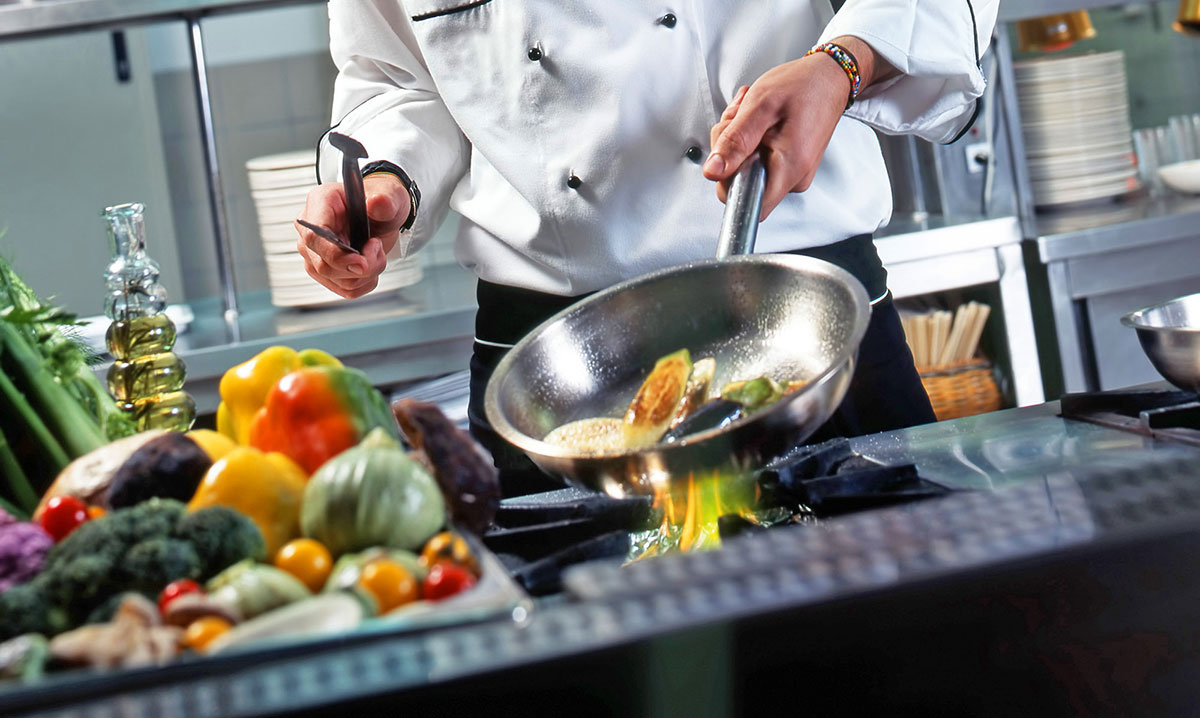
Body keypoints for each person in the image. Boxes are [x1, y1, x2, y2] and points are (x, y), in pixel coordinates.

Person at [297, 1, 1000, 495]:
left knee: (894, 640)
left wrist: (842, 63)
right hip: (557, 361)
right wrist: (388, 178)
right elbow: (397, 78)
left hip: (797, 316)